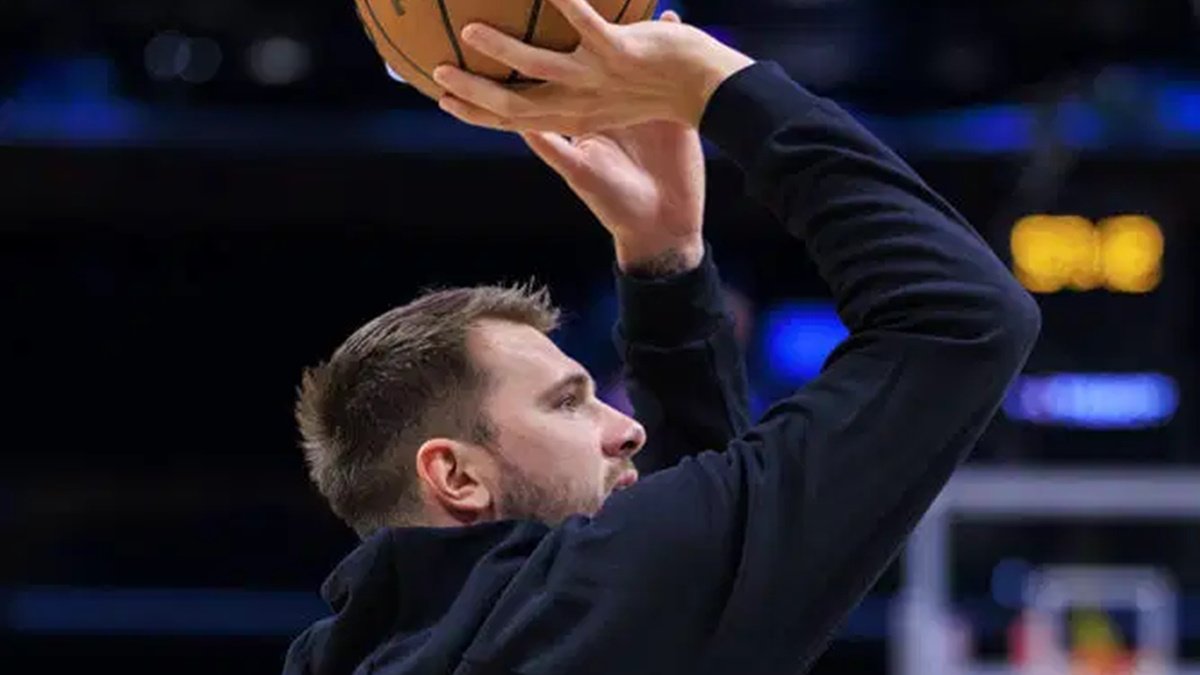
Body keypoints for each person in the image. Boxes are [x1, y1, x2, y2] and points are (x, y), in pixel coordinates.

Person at [282, 1, 1042, 673]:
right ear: (455, 475)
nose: (628, 428)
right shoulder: (595, 600)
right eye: (566, 403)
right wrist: (718, 84)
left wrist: (666, 262)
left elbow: (693, 585)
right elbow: (963, 317)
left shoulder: (348, 649)